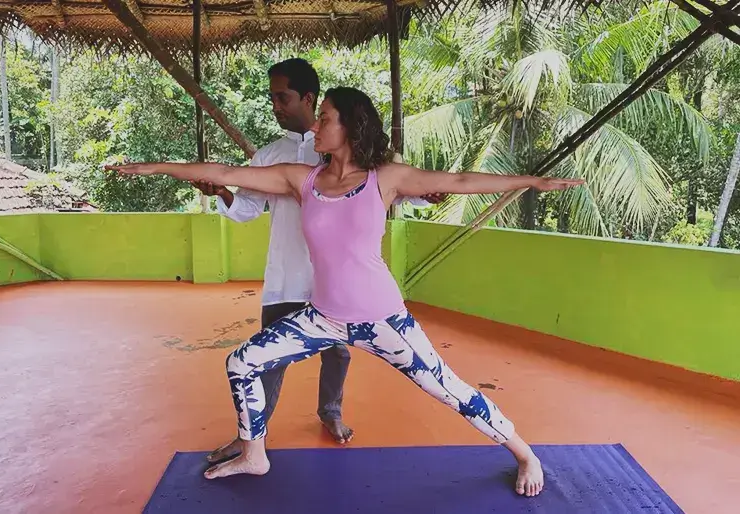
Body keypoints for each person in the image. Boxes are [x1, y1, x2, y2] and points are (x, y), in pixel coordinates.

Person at [106, 87, 583, 497]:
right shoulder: (303, 180)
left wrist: (530, 181)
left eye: (325, 119)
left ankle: (524, 453)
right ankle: (254, 454)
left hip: (383, 320)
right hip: (323, 316)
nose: (316, 127)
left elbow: (457, 181)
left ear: (351, 127)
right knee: (242, 362)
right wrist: (153, 168)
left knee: (452, 392)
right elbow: (225, 173)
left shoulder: (385, 178)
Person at [191, 59, 442, 462]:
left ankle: (331, 413)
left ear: (308, 98)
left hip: (337, 283)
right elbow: (246, 209)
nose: (275, 105)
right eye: (272, 97)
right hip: (287, 276)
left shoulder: (349, 149)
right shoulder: (271, 156)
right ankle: (250, 437)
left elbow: (389, 188)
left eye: (282, 96)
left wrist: (425, 194)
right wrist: (221, 192)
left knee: (338, 353)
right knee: (266, 360)